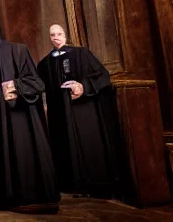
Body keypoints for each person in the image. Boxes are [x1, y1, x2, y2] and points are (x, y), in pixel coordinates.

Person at [0, 18, 59, 212]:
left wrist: (15, 86)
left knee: (22, 149)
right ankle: (7, 194)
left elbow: (37, 83)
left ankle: (32, 195)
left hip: (20, 115)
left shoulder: (17, 49)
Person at [37, 24, 125, 198]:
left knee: (89, 145)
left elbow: (103, 75)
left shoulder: (82, 54)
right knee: (64, 147)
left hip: (84, 112)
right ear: (49, 37)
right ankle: (71, 184)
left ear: (65, 35)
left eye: (59, 34)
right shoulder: (44, 63)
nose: (56, 37)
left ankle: (95, 185)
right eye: (52, 35)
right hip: (59, 115)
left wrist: (83, 86)